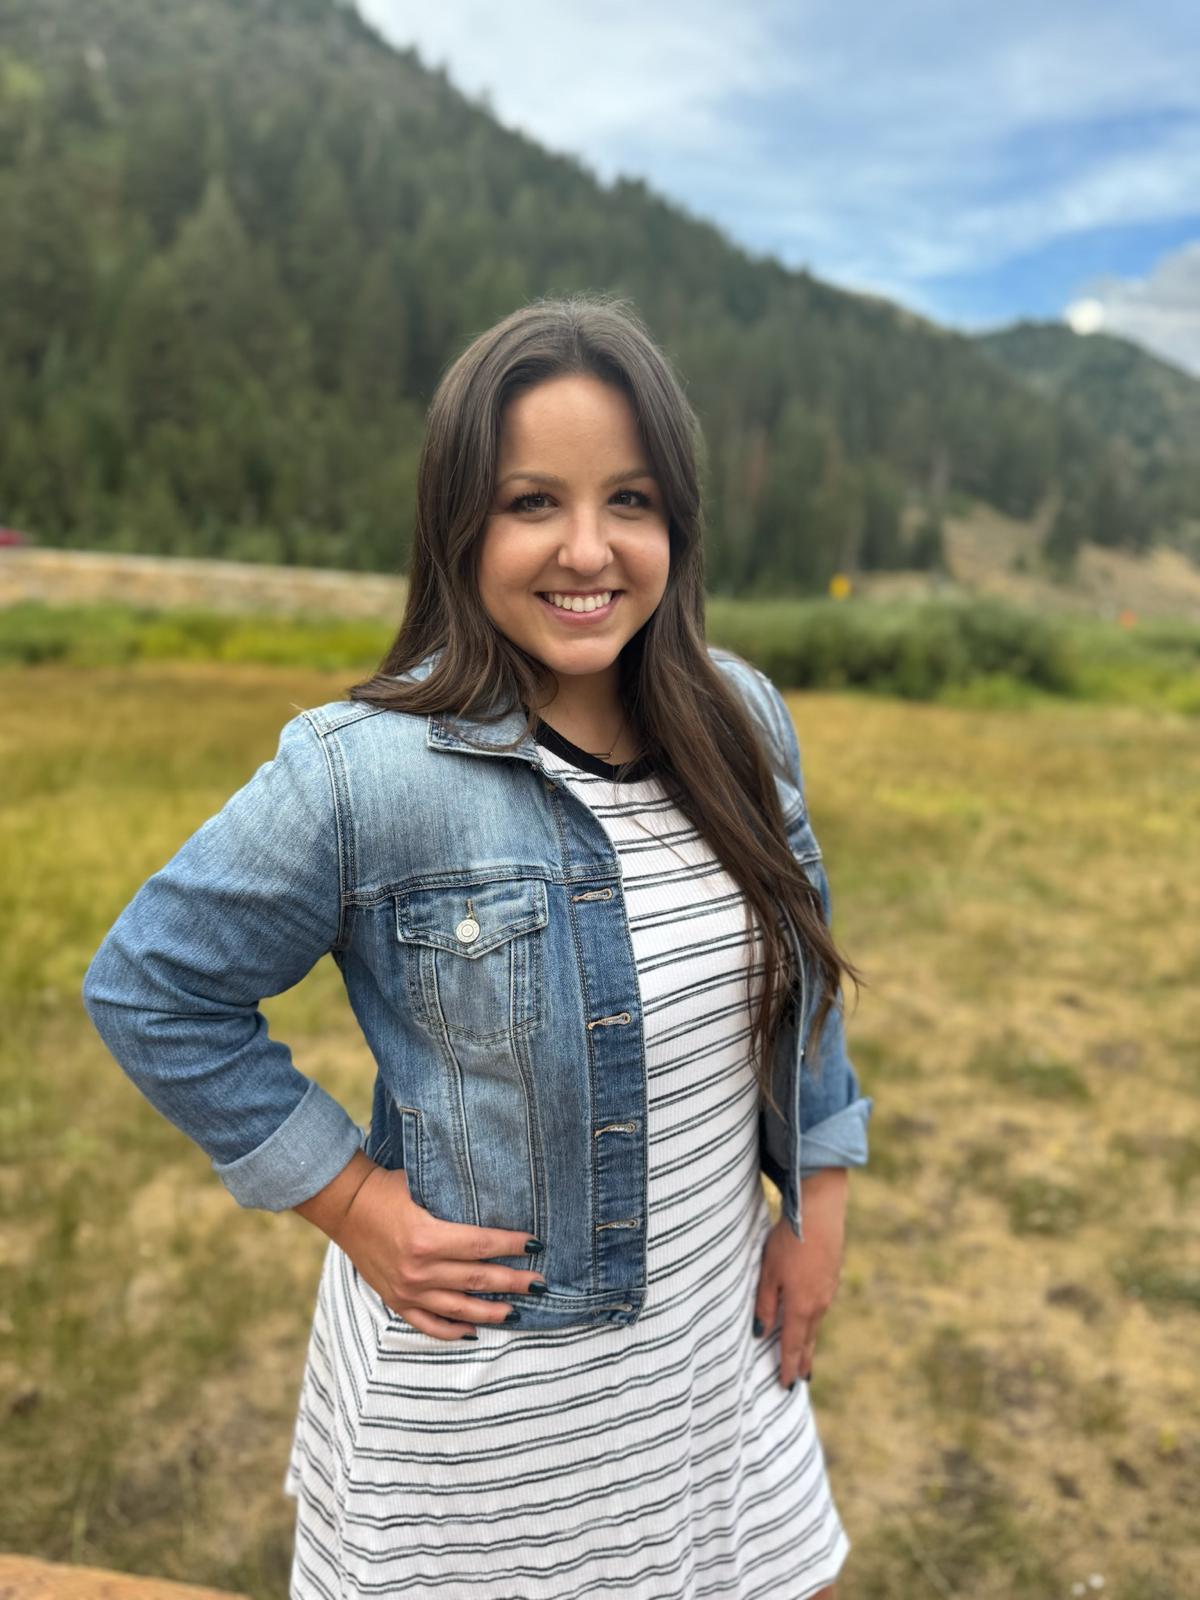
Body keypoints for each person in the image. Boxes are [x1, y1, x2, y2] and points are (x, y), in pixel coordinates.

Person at [81, 293, 874, 1599]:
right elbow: (152, 988)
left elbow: (803, 971)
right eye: (530, 503)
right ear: (459, 525)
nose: (587, 549)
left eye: (629, 499)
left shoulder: (743, 719)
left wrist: (823, 1200)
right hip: (489, 1443)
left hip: (713, 1385)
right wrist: (350, 1202)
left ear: (676, 516)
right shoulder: (363, 775)